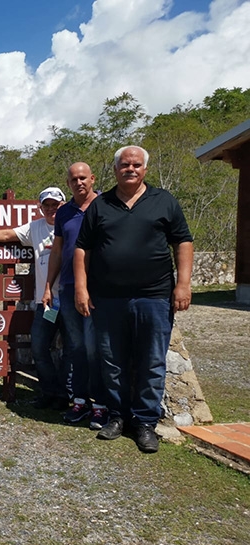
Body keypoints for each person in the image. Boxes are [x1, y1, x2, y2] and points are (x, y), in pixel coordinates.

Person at [74, 146, 193, 453]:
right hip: (108, 298)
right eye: (124, 165)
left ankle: (145, 423)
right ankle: (117, 417)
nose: (130, 169)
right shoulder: (101, 205)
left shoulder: (164, 201)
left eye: (136, 164)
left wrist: (183, 284)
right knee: (112, 363)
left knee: (151, 362)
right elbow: (82, 249)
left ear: (145, 169)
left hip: (154, 297)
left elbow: (182, 241)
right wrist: (81, 288)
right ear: (115, 170)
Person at [0, 187, 69, 410]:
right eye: (46, 205)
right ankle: (51, 393)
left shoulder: (72, 225)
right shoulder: (35, 227)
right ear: (41, 208)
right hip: (46, 302)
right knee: (39, 347)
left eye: (55, 205)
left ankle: (69, 395)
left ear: (63, 205)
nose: (51, 209)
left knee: (74, 349)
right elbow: (7, 235)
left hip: (71, 299)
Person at [42, 163, 107, 429]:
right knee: (76, 347)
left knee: (96, 349)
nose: (79, 182)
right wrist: (49, 285)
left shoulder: (106, 206)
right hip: (68, 287)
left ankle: (101, 405)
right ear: (68, 184)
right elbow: (57, 251)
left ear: (92, 179)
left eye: (83, 178)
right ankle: (80, 402)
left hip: (99, 288)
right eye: (73, 179)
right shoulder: (64, 213)